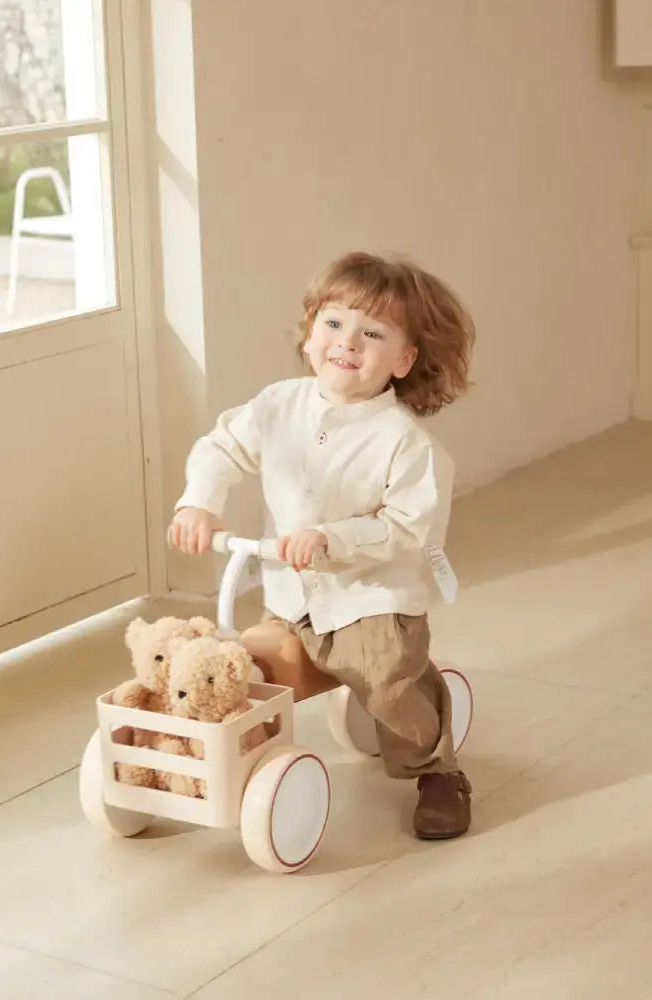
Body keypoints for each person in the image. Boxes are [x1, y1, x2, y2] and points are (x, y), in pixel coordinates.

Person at [169, 251, 475, 839]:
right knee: (248, 669)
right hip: (292, 595)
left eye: (373, 333)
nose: (348, 342)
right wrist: (200, 501)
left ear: (405, 360)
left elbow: (407, 528)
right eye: (334, 323)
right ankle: (228, 764)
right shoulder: (279, 404)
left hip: (369, 599)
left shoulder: (406, 443)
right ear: (310, 333)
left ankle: (437, 769)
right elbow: (222, 447)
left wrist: (331, 538)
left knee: (388, 686)